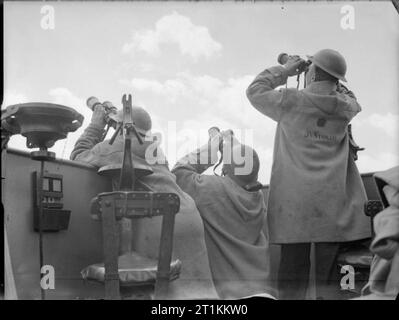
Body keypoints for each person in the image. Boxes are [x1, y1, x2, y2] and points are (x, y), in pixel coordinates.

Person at [246, 49, 371, 299]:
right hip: (333, 206)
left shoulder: (290, 101)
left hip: (294, 208)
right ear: (337, 80)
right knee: (330, 279)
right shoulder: (346, 107)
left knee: (292, 275)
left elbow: (255, 90)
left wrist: (287, 69)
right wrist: (327, 76)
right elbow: (351, 95)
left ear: (312, 73)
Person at [70, 103, 218, 299]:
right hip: (184, 211)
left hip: (159, 221)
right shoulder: (154, 147)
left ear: (121, 126)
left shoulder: (115, 145)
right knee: (194, 291)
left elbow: (78, 157)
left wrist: (96, 125)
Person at [172, 130, 275, 299]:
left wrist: (213, 145)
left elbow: (178, 172)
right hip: (263, 291)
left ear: (225, 168)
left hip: (232, 298)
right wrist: (231, 142)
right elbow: (245, 163)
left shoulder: (212, 189)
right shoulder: (257, 198)